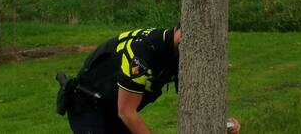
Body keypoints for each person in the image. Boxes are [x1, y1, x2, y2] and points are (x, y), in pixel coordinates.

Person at [57, 26, 240, 134]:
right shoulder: (143, 54)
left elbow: (195, 101)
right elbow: (127, 112)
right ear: (179, 31)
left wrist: (219, 122)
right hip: (88, 106)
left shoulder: (178, 53)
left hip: (113, 107)